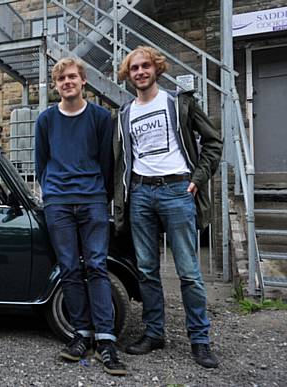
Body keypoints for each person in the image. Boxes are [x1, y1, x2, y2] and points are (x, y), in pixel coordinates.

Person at [113, 46, 222, 368]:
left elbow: (213, 142)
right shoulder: (124, 113)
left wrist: (198, 178)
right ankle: (154, 333)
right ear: (128, 74)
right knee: (147, 270)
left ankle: (200, 341)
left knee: (189, 272)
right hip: (141, 193)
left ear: (156, 69)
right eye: (134, 68)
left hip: (177, 190)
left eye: (146, 66)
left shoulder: (179, 102)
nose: (140, 72)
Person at [35, 58, 127, 376]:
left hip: (92, 201)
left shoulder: (101, 118)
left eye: (72, 76)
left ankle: (106, 341)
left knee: (97, 267)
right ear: (56, 85)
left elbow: (106, 162)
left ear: (83, 81)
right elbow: (41, 163)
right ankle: (81, 334)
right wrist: (53, 193)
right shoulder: (45, 120)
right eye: (61, 78)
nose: (67, 82)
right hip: (58, 203)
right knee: (70, 269)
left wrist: (95, 193)